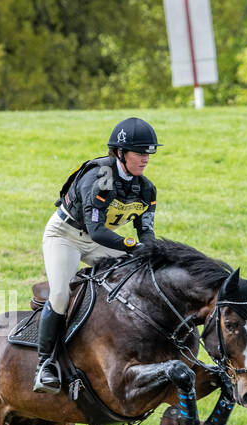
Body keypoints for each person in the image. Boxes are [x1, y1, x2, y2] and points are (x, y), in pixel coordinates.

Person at [34, 117, 161, 393]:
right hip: (65, 236)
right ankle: (45, 365)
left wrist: (151, 254)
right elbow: (97, 230)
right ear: (119, 153)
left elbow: (146, 236)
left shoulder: (147, 189)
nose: (145, 159)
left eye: (148, 153)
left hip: (99, 241)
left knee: (133, 283)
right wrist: (132, 247)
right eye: (139, 153)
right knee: (59, 294)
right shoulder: (99, 177)